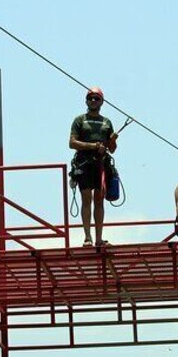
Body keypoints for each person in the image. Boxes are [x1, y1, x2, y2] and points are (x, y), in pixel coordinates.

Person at [69, 87, 118, 246]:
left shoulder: (106, 122)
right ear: (86, 101)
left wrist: (112, 140)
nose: (93, 101)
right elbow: (72, 142)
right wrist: (93, 146)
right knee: (86, 199)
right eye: (90, 98)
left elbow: (112, 149)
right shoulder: (80, 120)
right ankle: (87, 237)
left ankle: (98, 238)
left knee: (99, 201)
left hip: (101, 165)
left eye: (96, 98)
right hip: (84, 163)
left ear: (102, 102)